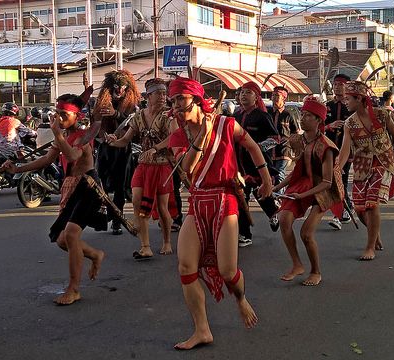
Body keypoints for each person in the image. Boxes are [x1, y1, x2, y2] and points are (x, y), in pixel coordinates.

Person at [168, 77, 269, 350]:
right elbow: (187, 169)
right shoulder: (180, 133)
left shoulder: (226, 124)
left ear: (197, 100)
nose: (176, 105)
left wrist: (266, 178)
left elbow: (252, 146)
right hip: (198, 201)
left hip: (225, 199)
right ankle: (202, 330)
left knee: (227, 270)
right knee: (186, 267)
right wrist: (201, 137)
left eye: (181, 99)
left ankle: (240, 298)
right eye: (174, 100)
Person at [3, 92, 106, 306]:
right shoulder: (65, 136)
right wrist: (18, 169)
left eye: (64, 114)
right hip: (71, 188)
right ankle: (95, 254)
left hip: (88, 187)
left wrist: (57, 135)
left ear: (76, 116)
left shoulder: (82, 136)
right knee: (62, 240)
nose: (59, 118)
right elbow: (46, 160)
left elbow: (73, 156)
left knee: (70, 234)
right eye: (57, 113)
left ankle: (74, 288)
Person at [273, 97, 343, 286]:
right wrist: (274, 188)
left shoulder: (326, 146)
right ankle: (297, 264)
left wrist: (302, 196)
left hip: (322, 190)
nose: (303, 119)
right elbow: (297, 172)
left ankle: (316, 271)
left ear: (319, 121)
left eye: (308, 116)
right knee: (284, 220)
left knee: (306, 233)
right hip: (303, 184)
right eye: (302, 114)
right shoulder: (298, 140)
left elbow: (327, 183)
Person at [336, 81, 394, 261]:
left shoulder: (382, 114)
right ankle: (374, 234)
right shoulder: (349, 123)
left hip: (384, 163)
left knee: (372, 203)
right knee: (360, 209)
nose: (345, 102)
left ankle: (369, 247)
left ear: (359, 98)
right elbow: (345, 150)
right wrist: (336, 168)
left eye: (348, 99)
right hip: (361, 166)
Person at [106, 78, 178, 259]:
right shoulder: (139, 117)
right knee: (137, 201)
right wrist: (114, 142)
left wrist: (155, 148)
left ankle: (167, 241)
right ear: (148, 96)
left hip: (162, 166)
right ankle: (145, 246)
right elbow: (125, 140)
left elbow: (174, 137)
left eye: (164, 93)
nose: (163, 97)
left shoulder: (169, 116)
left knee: (162, 208)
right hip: (144, 165)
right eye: (158, 93)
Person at [93, 70, 140, 235]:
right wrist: (103, 136)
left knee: (120, 187)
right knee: (102, 185)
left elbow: (133, 123)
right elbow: (96, 123)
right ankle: (105, 216)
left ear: (127, 87)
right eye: (117, 85)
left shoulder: (132, 104)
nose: (120, 89)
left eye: (123, 85)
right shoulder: (102, 101)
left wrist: (116, 114)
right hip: (104, 148)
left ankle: (117, 220)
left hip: (122, 149)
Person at [235, 81, 281, 246]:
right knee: (241, 199)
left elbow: (275, 139)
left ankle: (273, 212)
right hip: (239, 167)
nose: (244, 95)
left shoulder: (262, 116)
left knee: (261, 194)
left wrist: (257, 147)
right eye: (242, 92)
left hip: (258, 166)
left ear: (256, 97)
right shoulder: (236, 116)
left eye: (248, 92)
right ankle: (245, 234)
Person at [325, 74, 354, 230]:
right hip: (329, 150)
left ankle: (339, 214)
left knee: (340, 181)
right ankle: (347, 207)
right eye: (335, 84)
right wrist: (330, 126)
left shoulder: (352, 106)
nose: (337, 87)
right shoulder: (327, 106)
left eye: (340, 84)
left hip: (346, 151)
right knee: (332, 181)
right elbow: (318, 128)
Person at [267, 86, 300, 191]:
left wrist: (296, 152)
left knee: (279, 174)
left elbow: (296, 133)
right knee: (269, 176)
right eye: (273, 95)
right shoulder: (266, 113)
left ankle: (280, 198)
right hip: (268, 150)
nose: (274, 98)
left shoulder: (288, 114)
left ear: (284, 98)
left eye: (277, 95)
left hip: (284, 150)